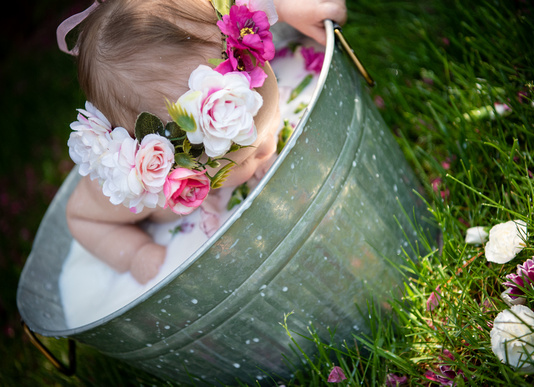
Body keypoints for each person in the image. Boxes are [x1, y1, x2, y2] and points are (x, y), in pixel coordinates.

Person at [62, 0, 347, 284]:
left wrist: (286, 10)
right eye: (245, 159)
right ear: (168, 167)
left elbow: (252, 10)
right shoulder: (133, 184)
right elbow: (81, 218)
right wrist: (135, 253)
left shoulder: (230, 36)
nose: (269, 147)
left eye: (271, 117)